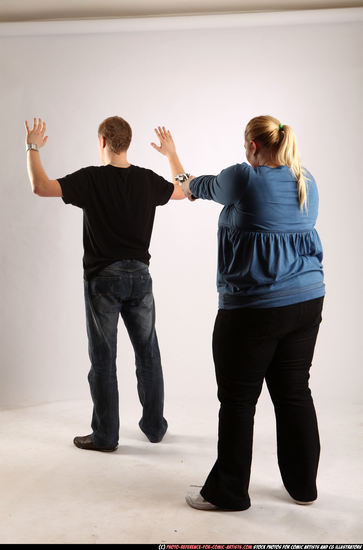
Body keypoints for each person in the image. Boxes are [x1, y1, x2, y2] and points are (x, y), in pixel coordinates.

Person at [153, 117, 325, 511]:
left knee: (237, 399)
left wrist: (172, 156)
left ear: (251, 145)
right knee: (294, 391)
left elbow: (189, 187)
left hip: (254, 311)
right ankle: (303, 487)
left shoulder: (242, 178)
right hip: (307, 302)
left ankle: (228, 492)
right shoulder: (307, 180)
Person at [25, 116, 187, 452]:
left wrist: (33, 146)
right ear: (127, 143)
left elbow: (40, 186)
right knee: (148, 353)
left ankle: (105, 436)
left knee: (103, 358)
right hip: (140, 278)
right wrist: (171, 153)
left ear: (102, 142)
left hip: (103, 280)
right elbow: (183, 190)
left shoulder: (92, 179)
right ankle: (155, 428)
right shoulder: (145, 180)